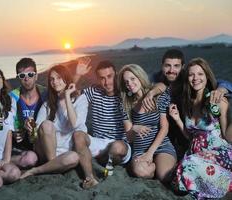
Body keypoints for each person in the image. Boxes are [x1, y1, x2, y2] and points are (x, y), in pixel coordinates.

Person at [143, 49, 231, 160]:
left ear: (183, 67)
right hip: (167, 132)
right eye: (167, 66)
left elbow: (220, 82)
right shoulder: (156, 79)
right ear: (162, 66)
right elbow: (158, 85)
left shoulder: (189, 81)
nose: (171, 70)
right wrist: (152, 92)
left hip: (191, 136)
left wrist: (221, 89)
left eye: (176, 66)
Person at [168, 58, 232, 199]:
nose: (196, 78)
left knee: (188, 167)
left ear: (207, 76)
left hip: (218, 153)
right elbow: (191, 136)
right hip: (195, 153)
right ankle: (219, 187)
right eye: (191, 75)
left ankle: (225, 185)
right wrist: (178, 119)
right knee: (177, 180)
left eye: (200, 74)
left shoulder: (218, 100)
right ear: (187, 78)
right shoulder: (187, 103)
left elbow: (227, 135)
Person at [72, 59, 132, 189]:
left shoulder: (126, 93)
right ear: (98, 79)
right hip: (98, 143)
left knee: (117, 147)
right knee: (78, 135)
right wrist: (78, 75)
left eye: (109, 76)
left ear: (115, 74)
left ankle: (102, 161)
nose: (107, 82)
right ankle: (90, 178)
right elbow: (71, 93)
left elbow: (147, 87)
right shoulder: (94, 91)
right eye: (102, 78)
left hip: (120, 144)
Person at [20, 64, 88, 178]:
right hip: (48, 150)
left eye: (59, 78)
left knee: (74, 157)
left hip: (66, 150)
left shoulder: (80, 99)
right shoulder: (48, 104)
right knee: (46, 124)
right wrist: (28, 125)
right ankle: (53, 164)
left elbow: (75, 124)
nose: (55, 82)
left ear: (66, 78)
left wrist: (67, 95)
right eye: (52, 79)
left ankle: (37, 170)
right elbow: (37, 128)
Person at [118, 64, 176, 182]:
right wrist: (134, 128)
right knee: (141, 172)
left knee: (164, 176)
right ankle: (155, 169)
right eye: (126, 81)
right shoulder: (125, 104)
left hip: (161, 146)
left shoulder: (157, 96)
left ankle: (160, 168)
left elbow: (164, 128)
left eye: (133, 78)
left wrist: (150, 153)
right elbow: (129, 137)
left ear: (140, 77)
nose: (129, 83)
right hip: (140, 150)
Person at [9, 58, 45, 168]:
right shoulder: (12, 97)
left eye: (30, 74)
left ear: (36, 76)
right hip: (21, 143)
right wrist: (13, 131)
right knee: (30, 159)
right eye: (22, 76)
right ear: (18, 78)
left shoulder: (45, 94)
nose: (26, 79)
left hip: (41, 141)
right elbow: (6, 121)